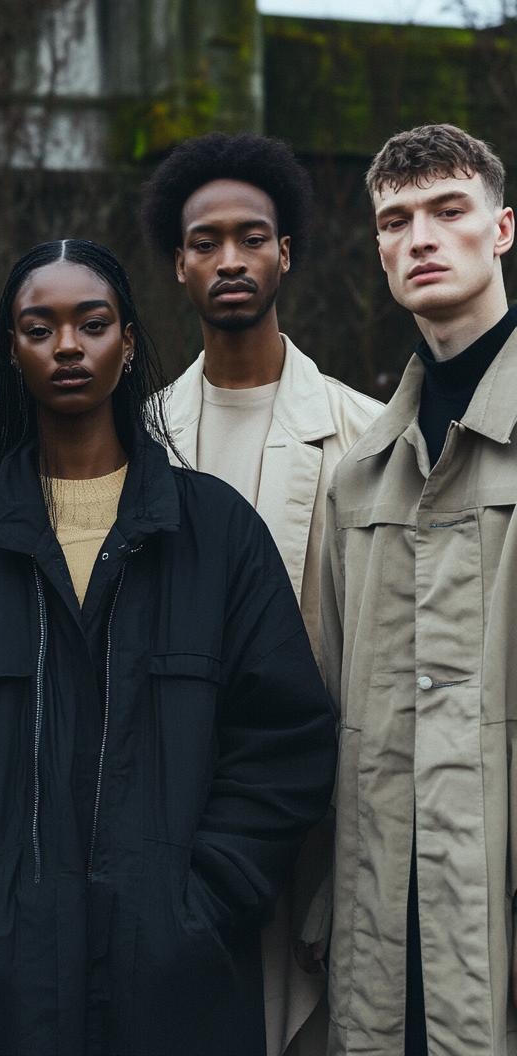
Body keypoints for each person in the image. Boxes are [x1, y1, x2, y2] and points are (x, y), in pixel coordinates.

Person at [0, 238, 337, 1056]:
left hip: (183, 999)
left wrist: (200, 903)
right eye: (40, 328)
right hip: (8, 1007)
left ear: (131, 340)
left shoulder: (217, 537)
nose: (68, 346)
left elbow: (284, 745)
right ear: (10, 349)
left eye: (93, 323)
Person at [142, 133, 383, 1056]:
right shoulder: (140, 443)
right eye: (207, 241)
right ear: (178, 262)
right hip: (174, 847)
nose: (230, 259)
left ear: (288, 252)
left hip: (316, 850)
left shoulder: (365, 439)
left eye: (253, 237)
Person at [320, 124, 517, 1055]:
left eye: (449, 211)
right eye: (396, 221)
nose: (421, 238)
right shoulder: (360, 474)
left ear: (503, 228)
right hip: (386, 921)